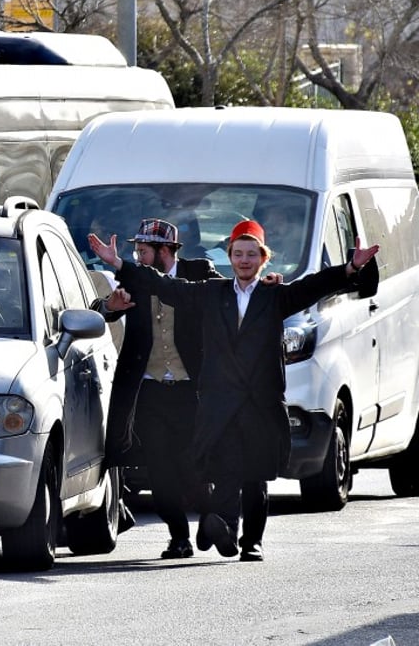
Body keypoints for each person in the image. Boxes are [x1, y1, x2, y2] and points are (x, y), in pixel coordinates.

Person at [89, 220, 379, 562]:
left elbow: (314, 286)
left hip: (261, 404)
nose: (244, 260)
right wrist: (119, 264)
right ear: (230, 257)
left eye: (251, 254)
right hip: (220, 404)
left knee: (256, 476)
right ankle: (223, 525)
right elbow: (167, 288)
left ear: (263, 259)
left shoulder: (275, 296)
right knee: (224, 468)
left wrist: (351, 267)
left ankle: (251, 541)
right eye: (238, 254)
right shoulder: (212, 292)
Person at [96, 218, 225, 559]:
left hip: (190, 391)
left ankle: (212, 519)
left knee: (192, 467)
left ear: (165, 250)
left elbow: (227, 294)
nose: (137, 257)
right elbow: (97, 311)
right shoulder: (134, 279)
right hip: (149, 391)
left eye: (143, 251)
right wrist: (111, 307)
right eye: (135, 251)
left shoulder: (200, 272)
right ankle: (178, 535)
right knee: (159, 468)